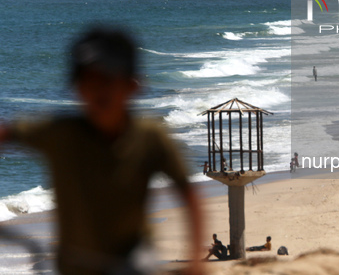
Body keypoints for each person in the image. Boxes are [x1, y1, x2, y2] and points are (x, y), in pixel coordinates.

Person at [0, 26, 203, 275]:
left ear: (132, 85)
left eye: (107, 80)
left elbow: (187, 191)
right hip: (75, 264)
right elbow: (7, 133)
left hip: (131, 261)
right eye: (89, 81)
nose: (99, 90)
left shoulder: (150, 137)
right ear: (76, 88)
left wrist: (195, 260)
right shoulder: (60, 132)